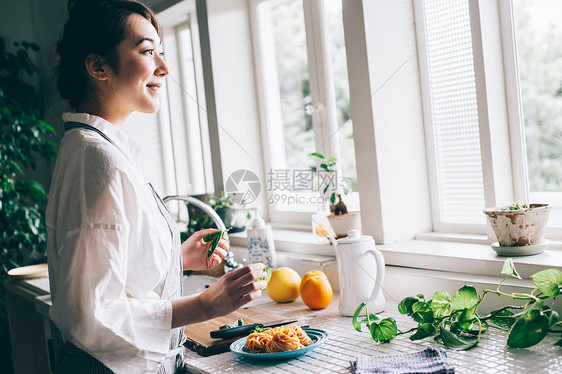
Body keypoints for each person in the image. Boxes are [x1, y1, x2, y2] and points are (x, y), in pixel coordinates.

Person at [46, 1, 267, 373]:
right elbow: (93, 314)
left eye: (160, 52)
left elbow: (112, 269)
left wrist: (177, 260)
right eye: (148, 51)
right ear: (98, 66)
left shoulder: (97, 149)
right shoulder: (96, 159)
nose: (163, 68)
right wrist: (205, 305)